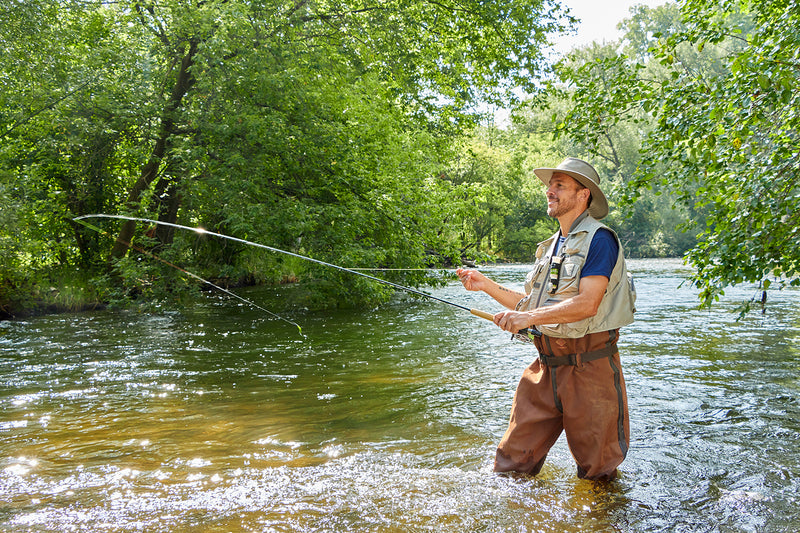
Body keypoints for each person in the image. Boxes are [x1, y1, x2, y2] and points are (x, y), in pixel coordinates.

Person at [457, 157, 636, 480]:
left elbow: (587, 304)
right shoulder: (552, 246)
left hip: (589, 369)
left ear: (583, 195)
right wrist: (485, 285)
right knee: (509, 468)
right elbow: (526, 306)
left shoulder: (600, 240)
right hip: (544, 367)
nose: (549, 191)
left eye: (559, 186)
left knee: (598, 475)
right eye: (550, 185)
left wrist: (526, 318)